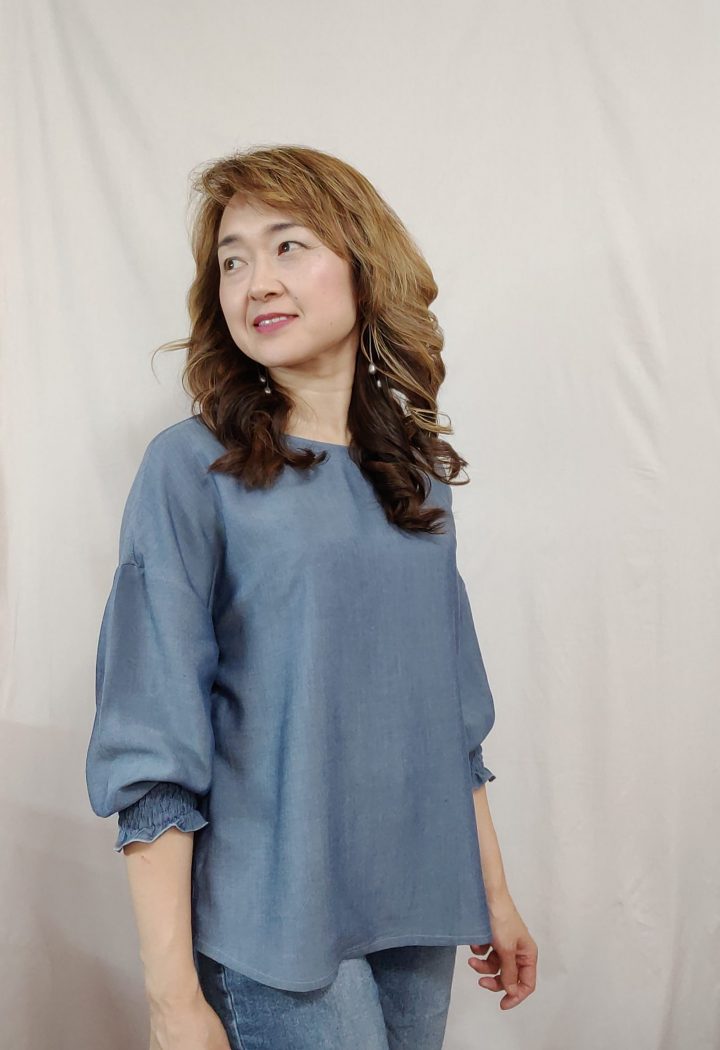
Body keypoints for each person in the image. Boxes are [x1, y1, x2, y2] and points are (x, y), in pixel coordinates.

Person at [85, 144, 538, 1050]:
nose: (256, 281)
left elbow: (449, 717)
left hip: (418, 900)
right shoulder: (192, 468)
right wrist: (172, 999)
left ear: (363, 267)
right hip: (270, 919)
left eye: (288, 245)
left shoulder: (415, 479)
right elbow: (153, 739)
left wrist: (494, 891)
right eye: (232, 260)